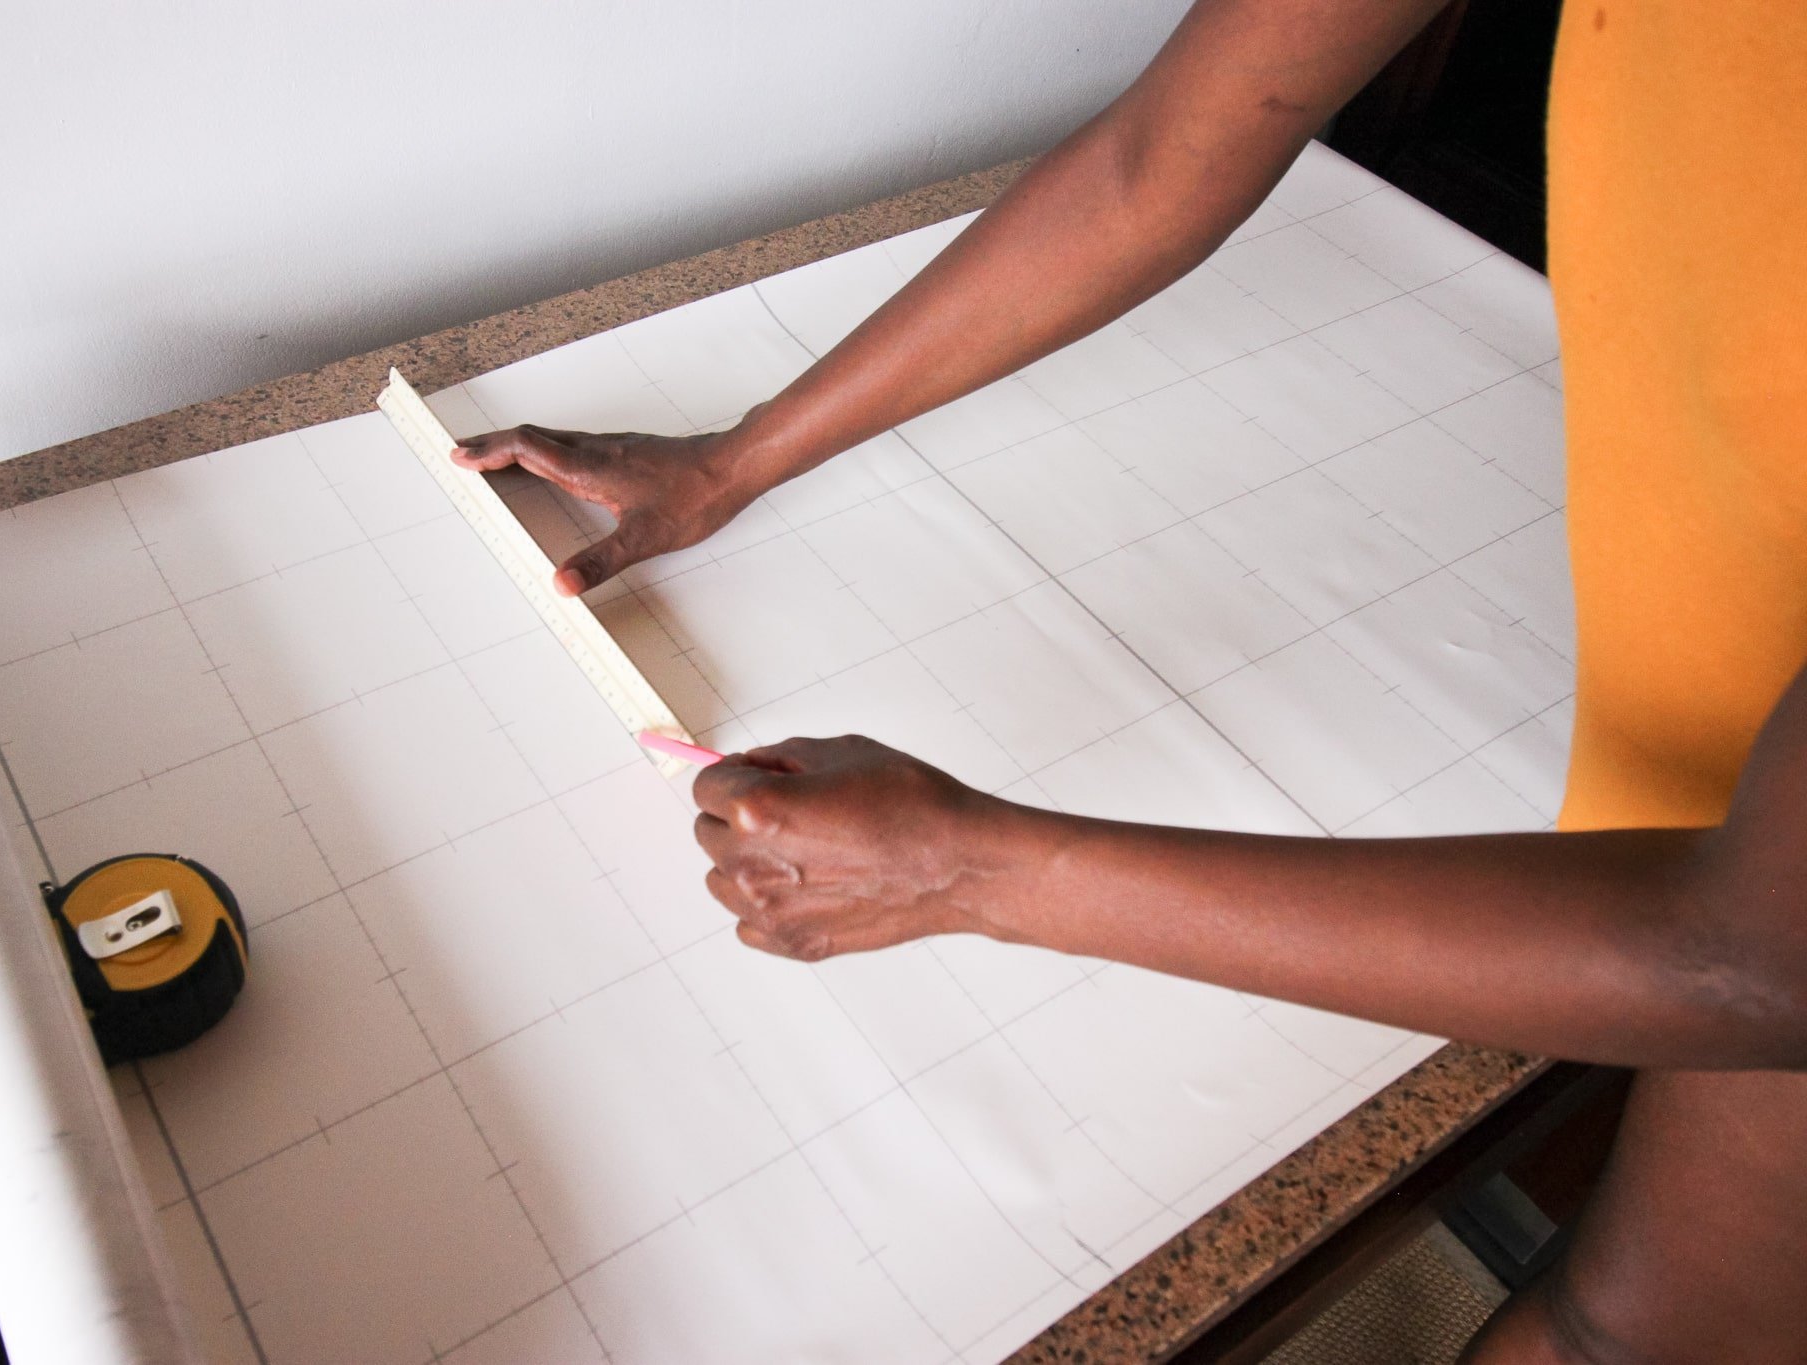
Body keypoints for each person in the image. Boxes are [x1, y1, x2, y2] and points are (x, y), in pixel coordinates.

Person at [450, 1, 1807, 1359]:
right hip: (1694, 779)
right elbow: (1157, 159)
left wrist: (971, 870)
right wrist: (732, 461)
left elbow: (1761, 959)